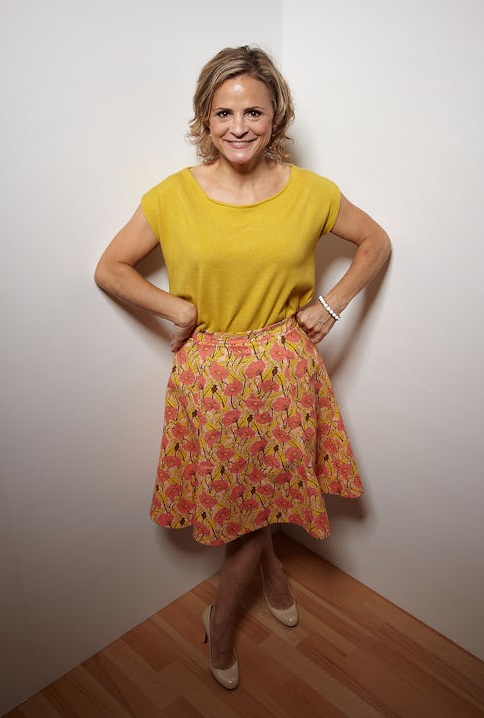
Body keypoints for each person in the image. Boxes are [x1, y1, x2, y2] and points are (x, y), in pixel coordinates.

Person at [94, 45, 391, 690]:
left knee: (267, 491)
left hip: (285, 368)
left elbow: (377, 242)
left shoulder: (312, 192)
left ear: (276, 115)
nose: (238, 126)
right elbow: (109, 268)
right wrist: (173, 306)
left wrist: (331, 305)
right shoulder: (172, 195)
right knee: (246, 497)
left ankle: (222, 616)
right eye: (223, 112)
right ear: (205, 116)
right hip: (211, 375)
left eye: (253, 111)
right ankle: (268, 577)